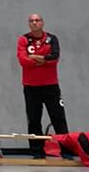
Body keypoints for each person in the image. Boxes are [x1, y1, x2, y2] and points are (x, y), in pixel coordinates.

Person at [17, 12, 68, 156]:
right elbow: (23, 60)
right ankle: (37, 152)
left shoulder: (52, 39)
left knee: (58, 118)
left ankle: (67, 151)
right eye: (31, 21)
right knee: (33, 120)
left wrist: (35, 57)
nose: (34, 23)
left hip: (51, 86)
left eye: (37, 20)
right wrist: (44, 60)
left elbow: (55, 58)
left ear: (42, 23)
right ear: (29, 24)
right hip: (31, 87)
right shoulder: (23, 39)